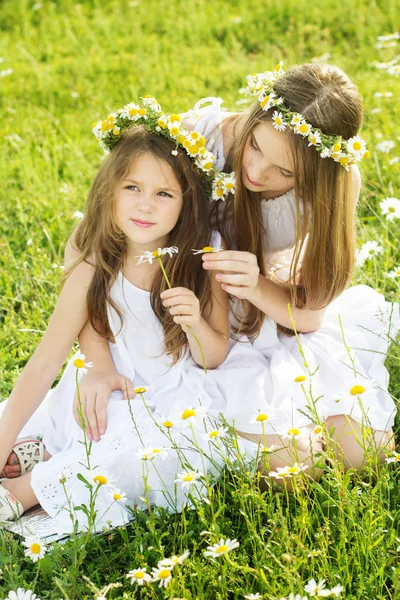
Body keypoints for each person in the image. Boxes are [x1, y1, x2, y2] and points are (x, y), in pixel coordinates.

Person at [56, 63, 398, 480]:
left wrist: (255, 286)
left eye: (285, 172)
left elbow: (308, 314)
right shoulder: (199, 139)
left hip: (269, 314)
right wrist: (96, 362)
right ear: (252, 118)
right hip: (191, 327)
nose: (255, 173)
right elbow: (87, 246)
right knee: (294, 467)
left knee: (365, 456)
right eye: (254, 145)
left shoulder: (333, 185)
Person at [0, 97, 240, 531]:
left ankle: (26, 489)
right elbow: (44, 363)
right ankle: (34, 451)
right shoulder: (96, 263)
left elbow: (215, 355)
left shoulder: (205, 255)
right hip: (112, 389)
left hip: (174, 395)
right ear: (109, 190)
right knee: (99, 427)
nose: (146, 205)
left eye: (164, 193)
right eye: (133, 188)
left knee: (163, 449)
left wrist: (195, 322)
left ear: (186, 203)